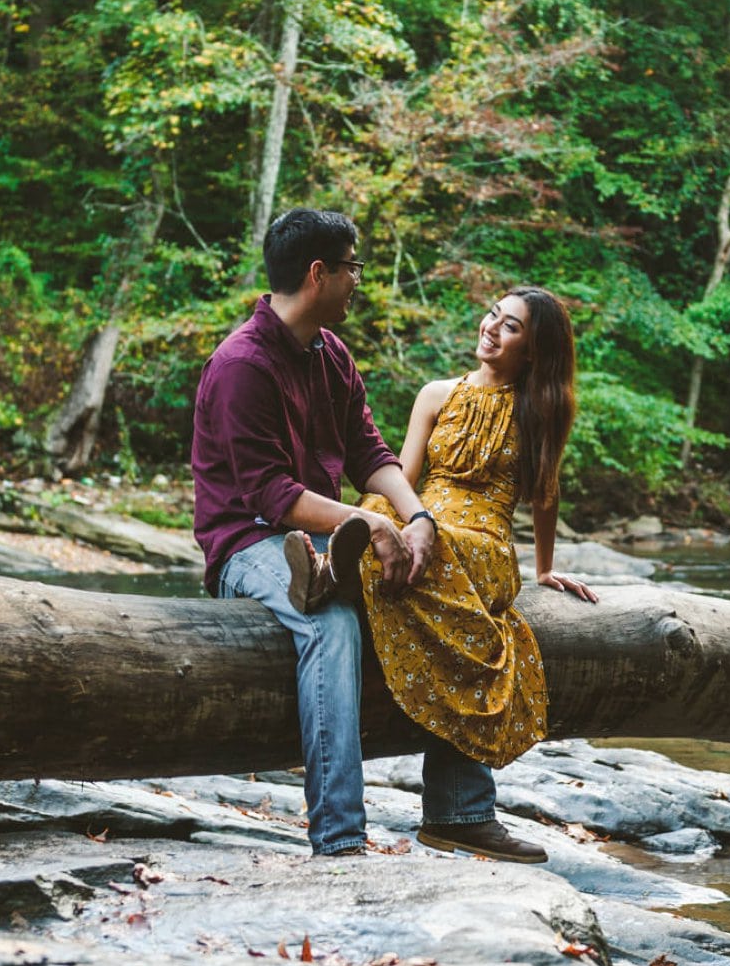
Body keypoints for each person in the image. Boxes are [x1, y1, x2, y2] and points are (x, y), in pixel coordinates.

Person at [188, 209, 545, 863]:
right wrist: (370, 522)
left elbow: (368, 452)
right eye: (351, 267)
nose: (358, 280)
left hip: (323, 530)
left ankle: (461, 809)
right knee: (331, 626)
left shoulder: (331, 352)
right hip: (249, 543)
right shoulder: (241, 364)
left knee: (443, 588)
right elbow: (269, 494)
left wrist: (417, 518)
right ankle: (340, 840)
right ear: (318, 273)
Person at [295, 285, 597, 863]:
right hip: (420, 521)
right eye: (492, 315)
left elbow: (546, 494)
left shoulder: (540, 407)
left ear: (533, 351)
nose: (491, 328)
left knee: (445, 566)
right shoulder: (436, 393)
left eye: (510, 327)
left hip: (480, 544)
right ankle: (329, 567)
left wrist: (546, 568)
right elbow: (401, 473)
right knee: (375, 514)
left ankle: (335, 573)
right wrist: (398, 515)